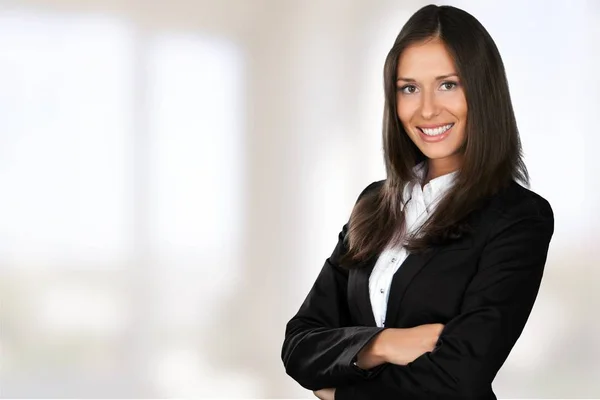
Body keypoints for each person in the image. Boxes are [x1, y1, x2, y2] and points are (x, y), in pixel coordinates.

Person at [281, 4, 554, 400]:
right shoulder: (374, 203)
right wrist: (384, 344)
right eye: (409, 88)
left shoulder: (517, 217)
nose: (427, 109)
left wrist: (341, 394)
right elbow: (299, 343)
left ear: (482, 89)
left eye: (448, 84)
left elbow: (459, 377)